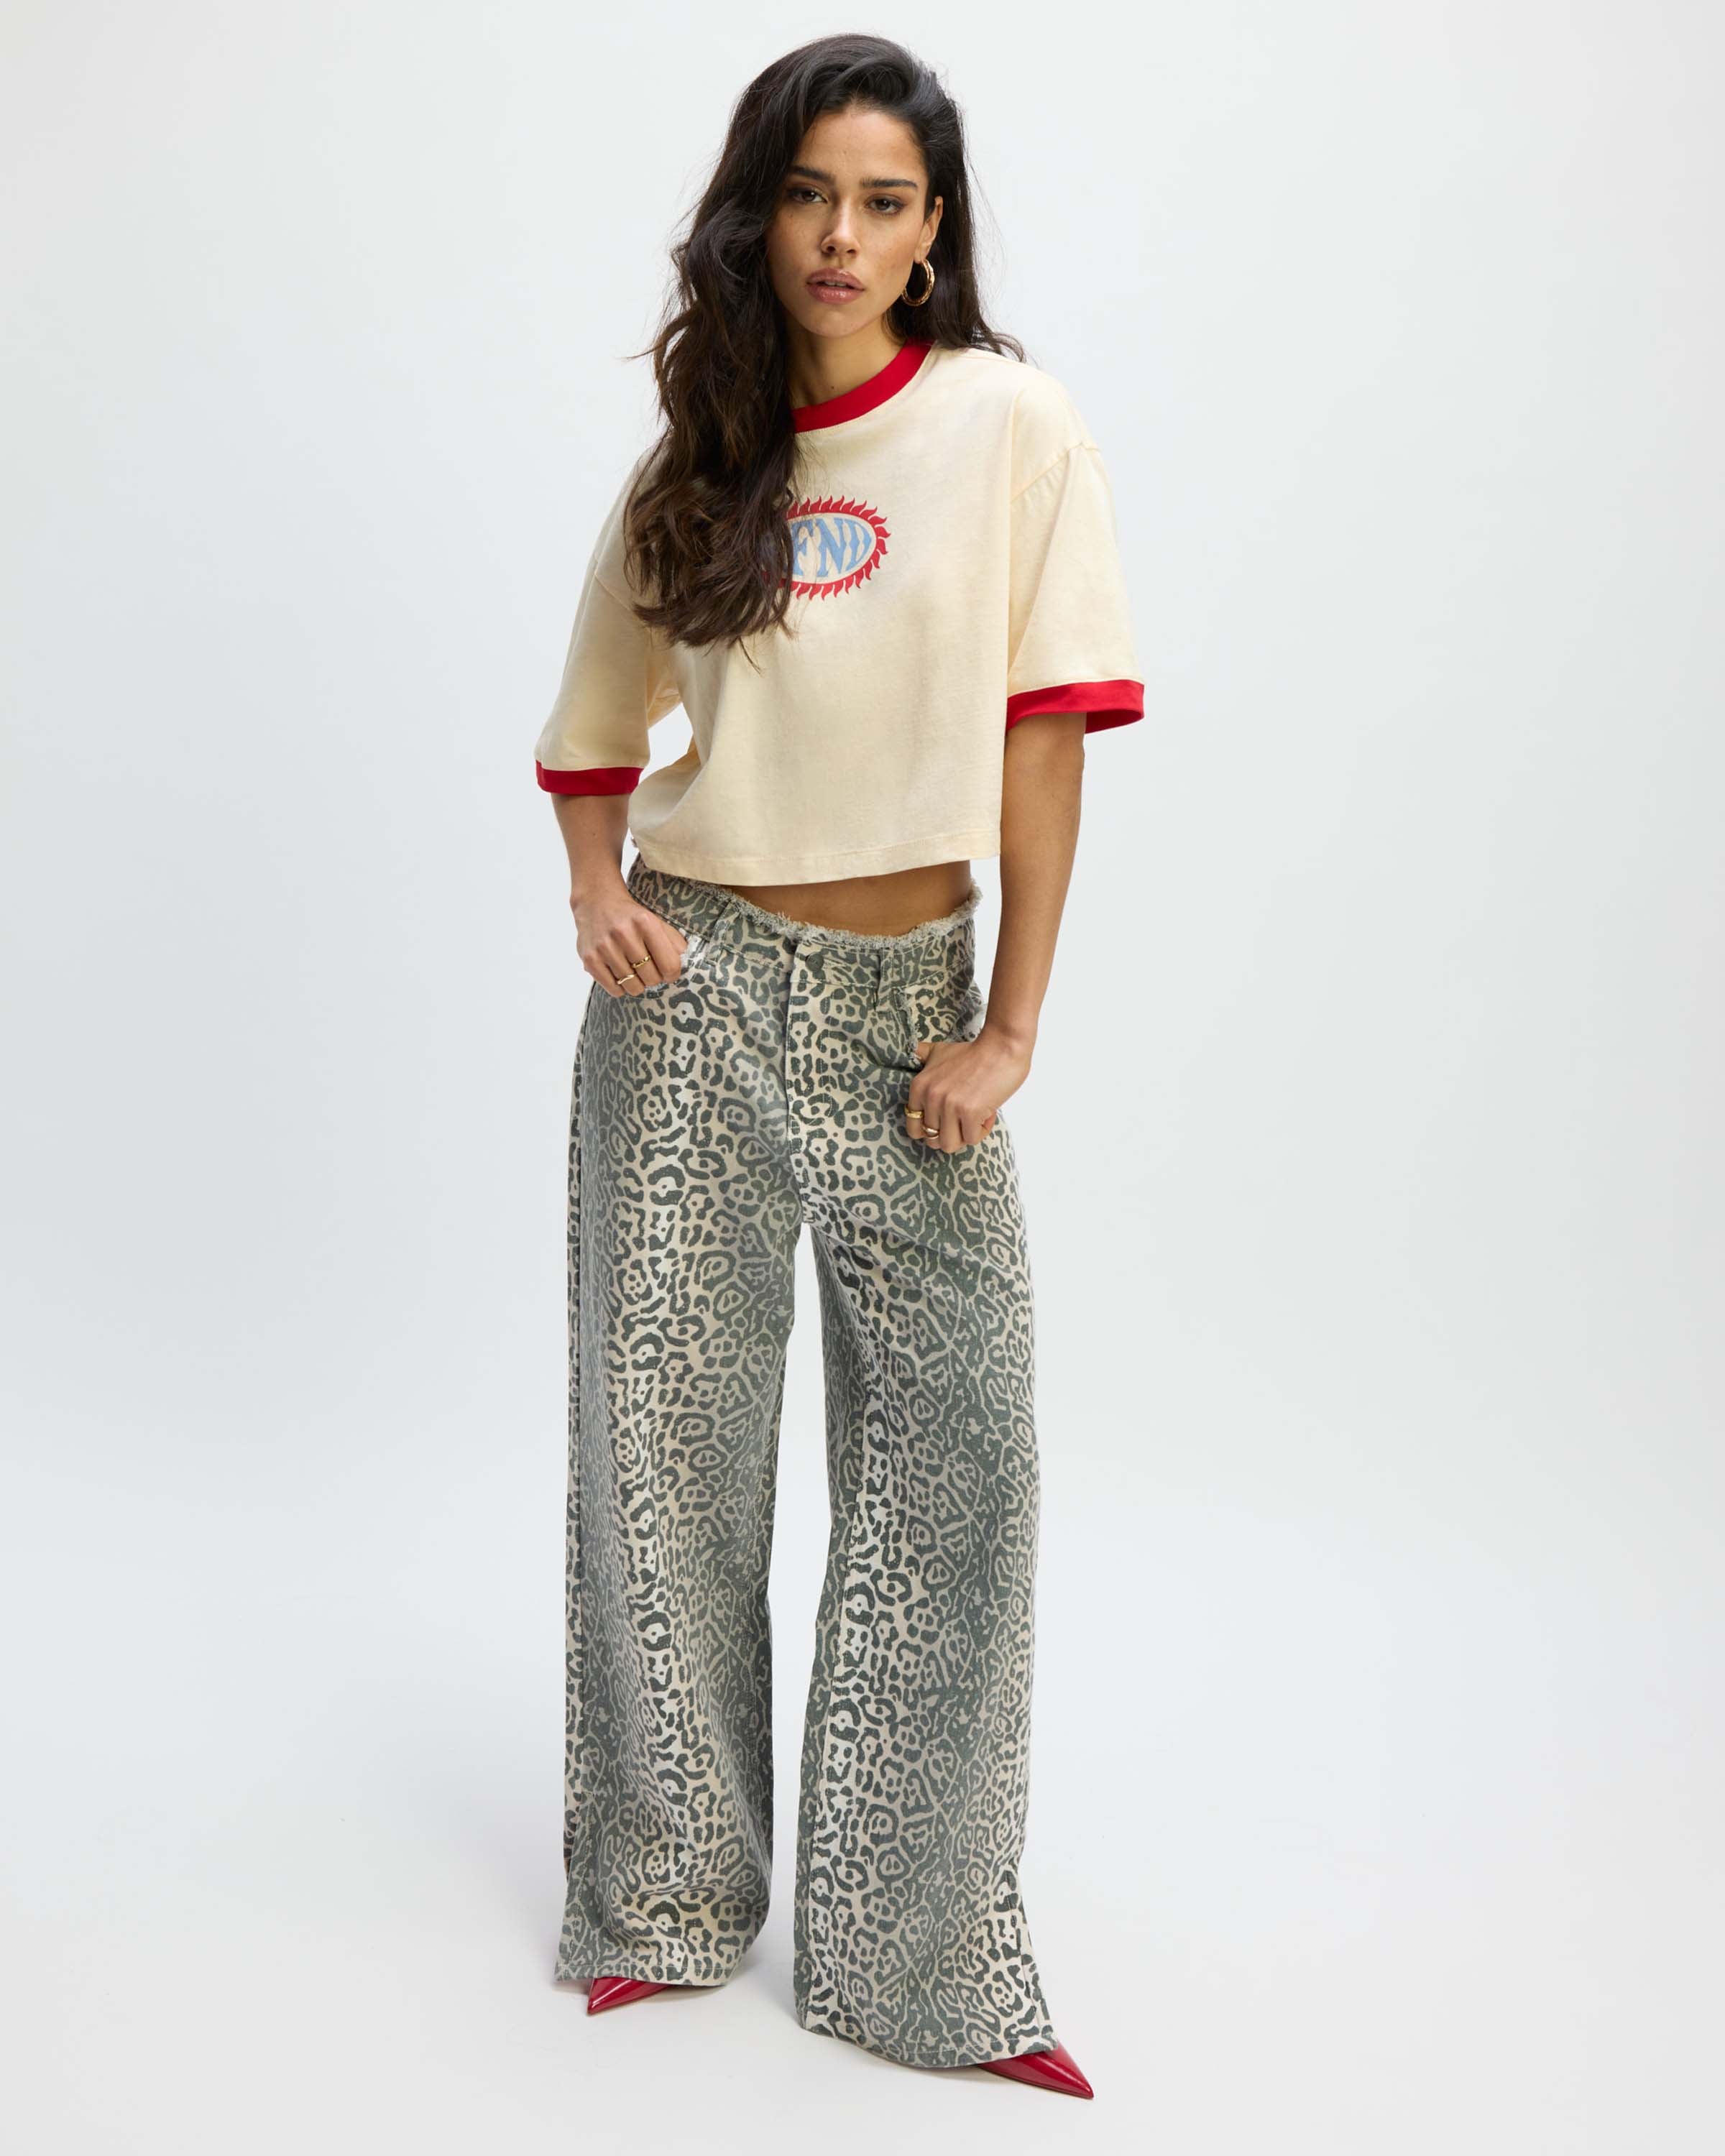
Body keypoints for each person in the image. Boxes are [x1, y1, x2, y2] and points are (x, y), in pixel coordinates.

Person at [533, 33, 1141, 2101]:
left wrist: (1009, 1027)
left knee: (960, 1467)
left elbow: (1043, 748)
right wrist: (598, 893)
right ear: (759, 214)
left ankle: (923, 1955)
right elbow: (592, 726)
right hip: (689, 1005)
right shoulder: (699, 457)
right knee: (662, 1460)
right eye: (809, 195)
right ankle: (663, 1896)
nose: (842, 236)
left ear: (933, 230)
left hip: (911, 1019)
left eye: (884, 201)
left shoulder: (1010, 427)